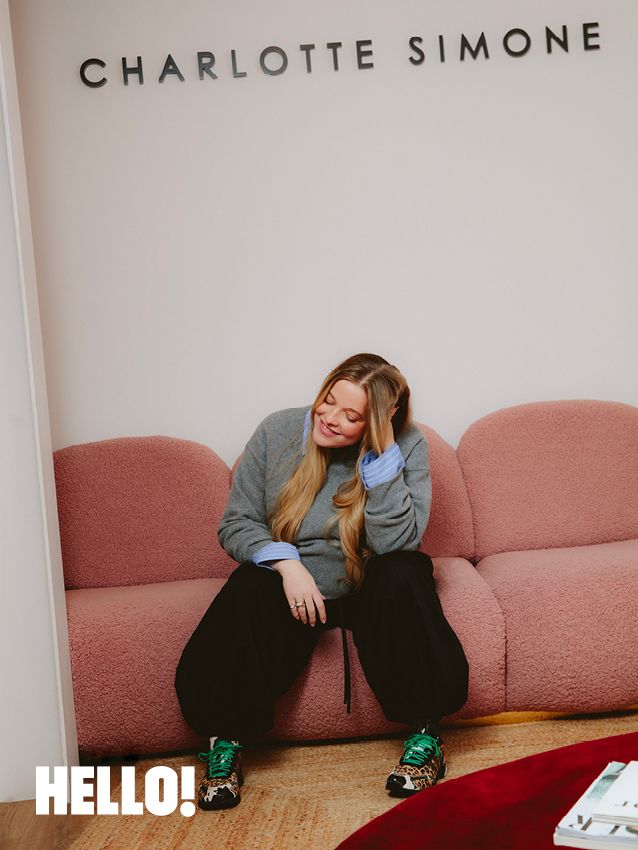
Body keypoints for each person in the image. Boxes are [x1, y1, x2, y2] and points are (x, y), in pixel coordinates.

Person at [174, 352, 469, 810]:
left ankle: (426, 735)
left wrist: (382, 454)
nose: (329, 419)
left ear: (378, 420)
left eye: (351, 416)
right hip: (295, 591)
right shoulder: (278, 431)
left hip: (369, 583)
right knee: (247, 585)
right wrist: (288, 566)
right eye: (328, 401)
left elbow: (398, 541)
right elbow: (237, 523)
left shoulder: (405, 445)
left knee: (405, 571)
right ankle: (224, 742)